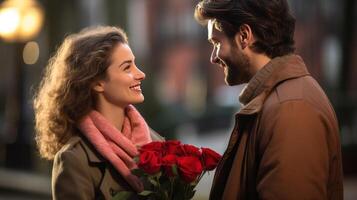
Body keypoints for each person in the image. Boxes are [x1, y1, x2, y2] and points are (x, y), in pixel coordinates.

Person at [194, 0, 343, 199]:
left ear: (244, 36)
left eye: (217, 43)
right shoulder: (282, 102)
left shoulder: (291, 109)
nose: (213, 57)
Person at [33, 26, 164, 200]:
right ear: (97, 83)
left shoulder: (157, 143)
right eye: (127, 68)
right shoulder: (74, 160)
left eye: (135, 64)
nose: (141, 74)